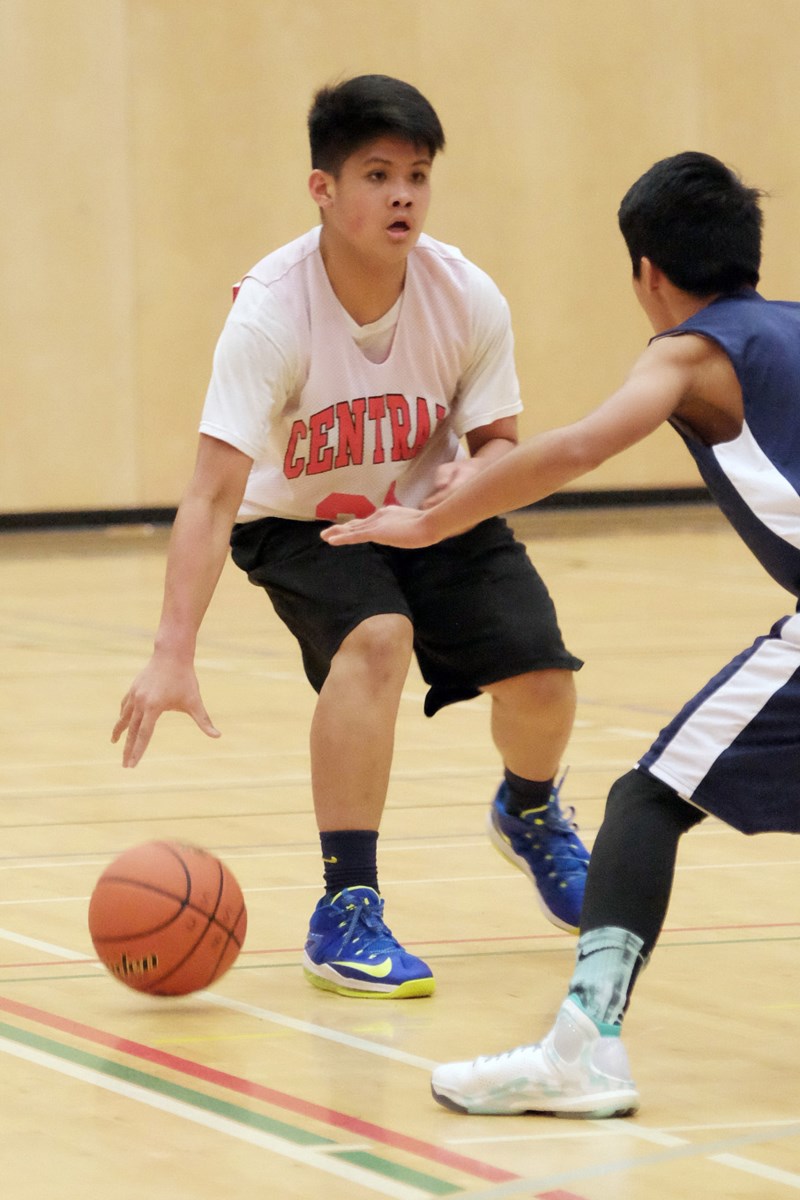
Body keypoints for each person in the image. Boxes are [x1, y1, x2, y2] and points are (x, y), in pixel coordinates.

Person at [323, 149, 800, 1109]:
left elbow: (576, 446)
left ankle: (583, 1043)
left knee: (647, 800)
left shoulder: (689, 352)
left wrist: (426, 522)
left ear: (648, 276)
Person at [111, 74, 590, 1001]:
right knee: (377, 639)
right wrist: (173, 652)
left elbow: (499, 442)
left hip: (429, 514)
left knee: (542, 681)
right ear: (323, 190)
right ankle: (347, 907)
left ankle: (528, 810)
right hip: (301, 524)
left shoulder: (466, 294)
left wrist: (471, 476)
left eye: (416, 174)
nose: (403, 193)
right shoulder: (271, 312)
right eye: (377, 174)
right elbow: (212, 495)